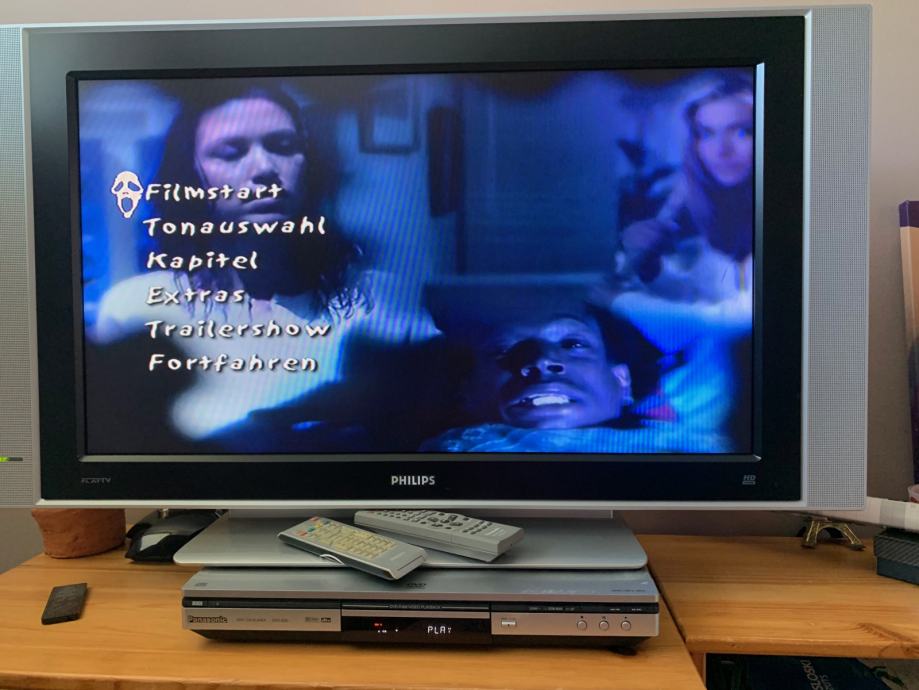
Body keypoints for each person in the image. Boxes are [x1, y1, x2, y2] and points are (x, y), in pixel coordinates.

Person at [91, 81, 436, 444]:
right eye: (231, 152)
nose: (265, 168)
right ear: (190, 174)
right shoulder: (135, 309)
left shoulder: (378, 297)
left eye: (283, 147)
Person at [419, 281, 733, 453]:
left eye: (572, 344)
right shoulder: (449, 459)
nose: (541, 361)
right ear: (468, 393)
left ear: (622, 381)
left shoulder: (692, 452)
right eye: (504, 350)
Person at [619, 72, 755, 305]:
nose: (721, 150)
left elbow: (738, 317)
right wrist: (649, 266)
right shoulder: (692, 208)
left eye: (742, 132)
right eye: (707, 133)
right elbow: (702, 295)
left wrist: (620, 303)